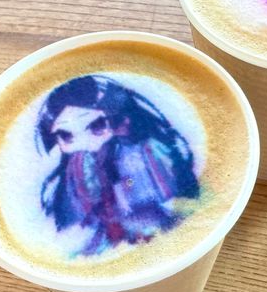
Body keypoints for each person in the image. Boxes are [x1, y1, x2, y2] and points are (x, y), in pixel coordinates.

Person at [36, 75, 200, 256]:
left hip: (151, 229)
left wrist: (125, 186)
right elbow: (75, 217)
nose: (86, 142)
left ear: (120, 119)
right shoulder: (77, 167)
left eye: (97, 125)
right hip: (106, 238)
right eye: (66, 136)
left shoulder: (139, 153)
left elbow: (139, 187)